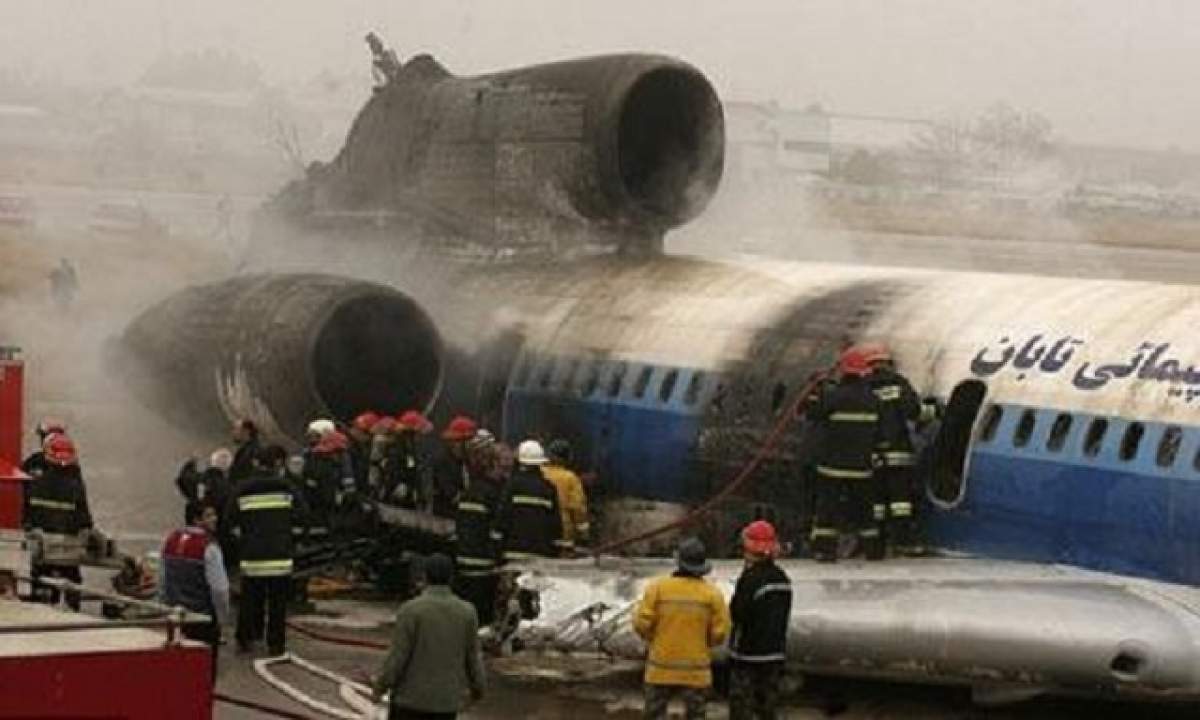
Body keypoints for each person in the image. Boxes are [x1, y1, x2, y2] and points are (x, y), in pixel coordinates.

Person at [371, 553, 485, 719]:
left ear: (424, 577)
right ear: (451, 578)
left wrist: (380, 687)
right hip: (445, 705)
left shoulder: (411, 610)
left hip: (409, 701)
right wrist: (478, 690)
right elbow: (473, 658)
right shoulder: (467, 613)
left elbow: (398, 657)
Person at [633, 537, 730, 720]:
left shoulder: (658, 589)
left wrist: (653, 639)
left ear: (678, 561)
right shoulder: (712, 594)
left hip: (660, 669)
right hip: (696, 671)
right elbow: (720, 632)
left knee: (653, 714)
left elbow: (641, 623)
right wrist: (704, 644)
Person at [226, 444, 306, 656]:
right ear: (277, 464)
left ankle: (245, 639)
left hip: (252, 557)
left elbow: (229, 521)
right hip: (280, 557)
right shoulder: (287, 488)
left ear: (256, 464)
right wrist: (289, 536)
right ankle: (276, 645)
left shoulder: (242, 489)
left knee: (249, 600)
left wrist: (242, 540)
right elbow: (303, 516)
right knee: (278, 605)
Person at [806, 347, 883, 562]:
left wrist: (814, 393)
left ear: (843, 371)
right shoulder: (873, 400)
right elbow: (881, 431)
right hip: (861, 467)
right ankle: (873, 550)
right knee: (865, 511)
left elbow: (813, 414)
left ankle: (824, 550)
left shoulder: (834, 397)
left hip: (832, 467)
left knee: (827, 511)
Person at [861, 343, 926, 556]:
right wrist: (933, 412)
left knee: (876, 501)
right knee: (901, 502)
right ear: (889, 364)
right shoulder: (899, 384)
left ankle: (876, 542)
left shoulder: (863, 387)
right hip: (899, 454)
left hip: (872, 455)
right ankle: (902, 541)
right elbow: (913, 411)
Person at [728, 521, 793, 720]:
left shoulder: (750, 579)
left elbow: (738, 613)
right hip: (774, 654)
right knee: (767, 708)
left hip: (747, 655)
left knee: (743, 708)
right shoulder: (782, 579)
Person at [160, 502, 230, 682]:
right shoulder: (209, 547)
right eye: (209, 515)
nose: (215, 519)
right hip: (202, 617)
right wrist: (222, 619)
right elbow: (219, 588)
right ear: (196, 519)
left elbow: (163, 578)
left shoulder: (171, 540)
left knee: (179, 670)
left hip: (176, 616)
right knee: (204, 673)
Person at [24, 433, 93, 610]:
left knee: (42, 591)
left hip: (46, 548)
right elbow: (84, 517)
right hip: (63, 549)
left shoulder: (35, 478)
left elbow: (26, 513)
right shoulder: (74, 481)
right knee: (69, 589)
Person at [453, 438, 503, 626]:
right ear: (492, 465)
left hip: (463, 559)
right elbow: (496, 530)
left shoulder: (469, 492)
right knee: (481, 616)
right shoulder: (494, 494)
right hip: (484, 565)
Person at [495, 440, 564, 562]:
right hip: (540, 555)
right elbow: (555, 524)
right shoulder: (549, 488)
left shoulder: (512, 485)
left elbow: (503, 517)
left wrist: (497, 546)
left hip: (513, 552)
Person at [541, 439, 590, 554]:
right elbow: (578, 508)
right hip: (564, 532)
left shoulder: (540, 473)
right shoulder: (570, 478)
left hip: (541, 531)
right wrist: (584, 534)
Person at [432, 416, 477, 518]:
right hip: (445, 517)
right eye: (469, 440)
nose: (472, 444)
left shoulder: (468, 462)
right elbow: (451, 493)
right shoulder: (443, 462)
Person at [175, 448, 233, 524]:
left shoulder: (197, 478)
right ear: (227, 469)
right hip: (214, 528)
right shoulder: (229, 488)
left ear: (211, 462)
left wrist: (191, 462)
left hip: (193, 523)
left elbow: (183, 478)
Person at [228, 419, 261, 486]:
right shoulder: (246, 449)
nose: (233, 432)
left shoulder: (253, 451)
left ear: (246, 431)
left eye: (235, 429)